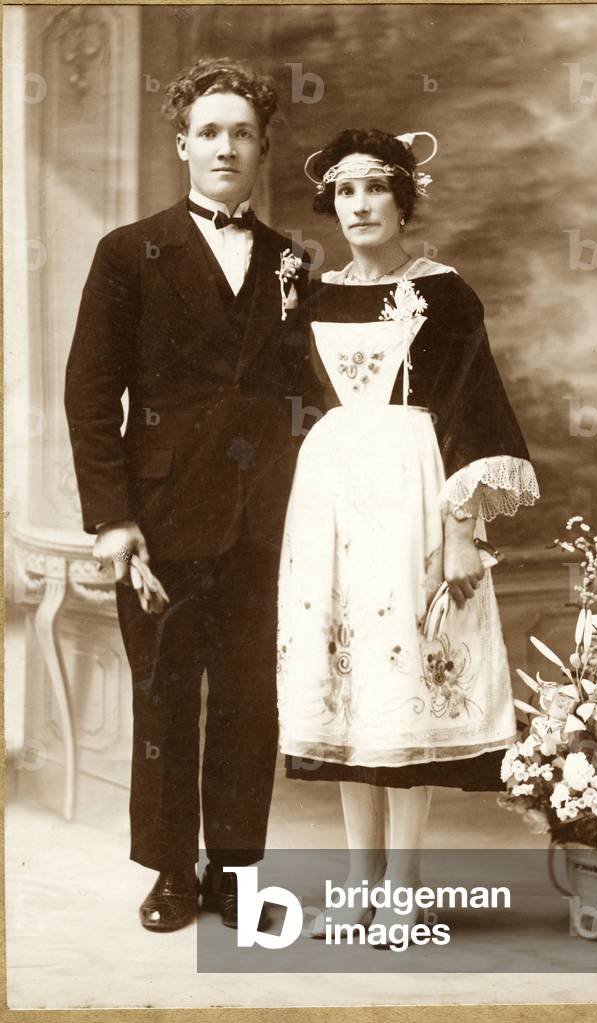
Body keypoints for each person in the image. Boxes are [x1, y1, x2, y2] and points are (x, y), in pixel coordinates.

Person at [276, 128, 539, 937]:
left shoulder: (446, 294)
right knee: (353, 689)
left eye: (374, 189)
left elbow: (471, 410)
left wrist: (460, 530)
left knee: (406, 685)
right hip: (330, 498)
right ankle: (358, 884)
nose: (357, 204)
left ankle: (406, 887)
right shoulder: (312, 295)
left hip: (413, 489)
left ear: (401, 200)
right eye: (344, 191)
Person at [65, 58, 308, 932]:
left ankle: (237, 873)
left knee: (249, 696)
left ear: (263, 149)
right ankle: (171, 869)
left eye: (242, 131)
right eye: (210, 130)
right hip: (161, 517)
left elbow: (307, 395)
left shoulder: (291, 260)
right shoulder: (129, 251)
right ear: (182, 147)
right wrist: (114, 519)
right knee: (165, 694)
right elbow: (90, 394)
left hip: (264, 522)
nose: (226, 146)